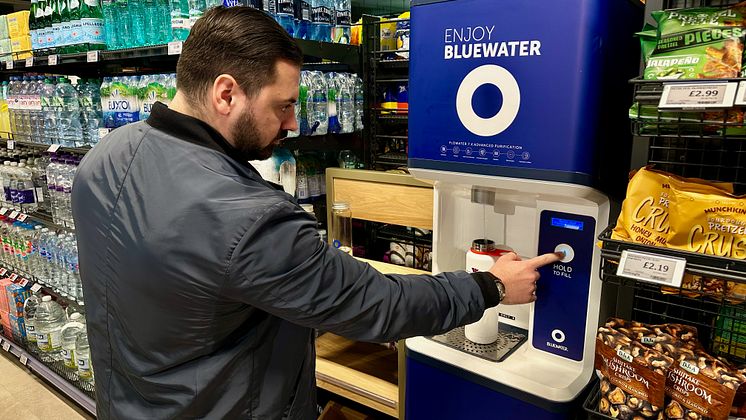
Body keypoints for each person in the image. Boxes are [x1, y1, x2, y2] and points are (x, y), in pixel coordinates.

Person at [71, 6, 561, 419]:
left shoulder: (106, 155)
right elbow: (379, 307)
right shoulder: (248, 217)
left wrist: (306, 271)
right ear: (226, 94)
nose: (291, 122)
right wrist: (490, 286)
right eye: (282, 105)